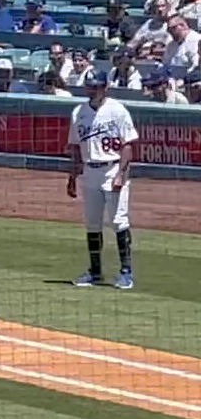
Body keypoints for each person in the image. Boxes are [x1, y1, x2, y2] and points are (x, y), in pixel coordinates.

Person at [66, 71, 139, 288]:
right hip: (90, 171)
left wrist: (120, 174)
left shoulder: (117, 110)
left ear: (105, 87)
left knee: (118, 220)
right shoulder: (78, 112)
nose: (92, 90)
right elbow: (76, 148)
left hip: (112, 167)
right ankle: (95, 271)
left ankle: (126, 272)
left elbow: (128, 145)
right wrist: (72, 176)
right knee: (92, 222)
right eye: (89, 86)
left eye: (96, 86)